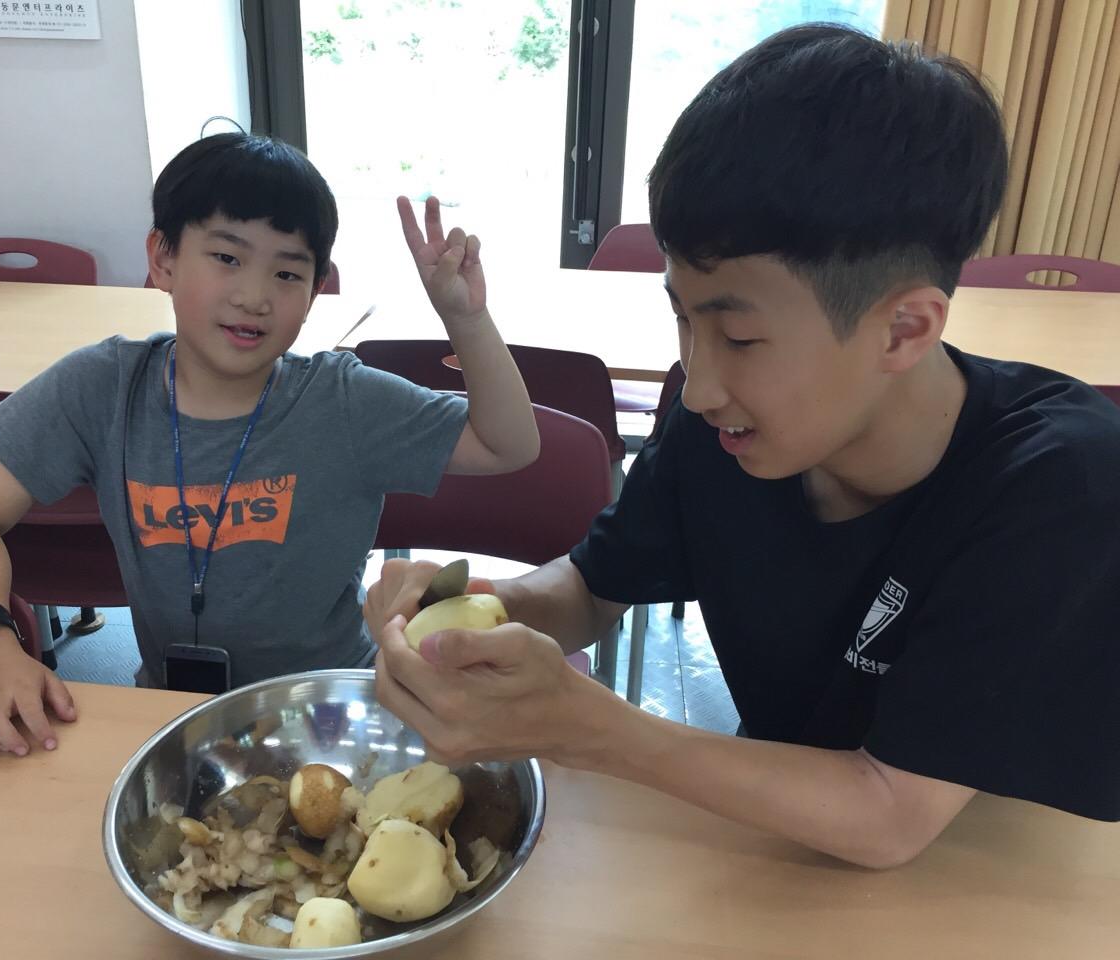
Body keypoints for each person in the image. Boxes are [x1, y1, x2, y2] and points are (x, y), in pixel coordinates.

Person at [365, 25, 1120, 869]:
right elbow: (588, 588)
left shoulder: (1059, 484)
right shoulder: (721, 426)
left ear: (904, 328)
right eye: (683, 318)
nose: (699, 383)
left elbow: (888, 814)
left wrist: (593, 728)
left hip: (1007, 884)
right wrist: (466, 614)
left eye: (740, 337)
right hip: (790, 858)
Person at [0, 132, 539, 758]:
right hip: (176, 717)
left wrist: (465, 319)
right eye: (227, 257)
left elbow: (506, 445)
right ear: (162, 259)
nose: (254, 296)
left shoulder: (343, 401)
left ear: (315, 291)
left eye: (288, 273)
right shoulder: (103, 387)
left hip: (333, 715)